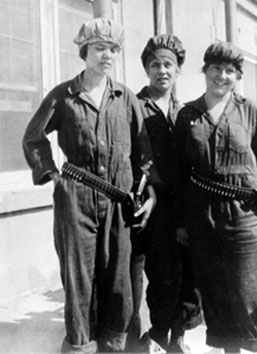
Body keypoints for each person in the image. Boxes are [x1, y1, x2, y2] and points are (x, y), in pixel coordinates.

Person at [22, 18, 157, 354]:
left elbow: (146, 154)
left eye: (112, 49)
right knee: (79, 280)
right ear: (85, 53)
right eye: (99, 48)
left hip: (118, 201)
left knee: (118, 281)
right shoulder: (64, 95)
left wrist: (146, 192)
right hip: (76, 200)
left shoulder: (125, 98)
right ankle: (81, 347)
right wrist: (51, 173)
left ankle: (114, 346)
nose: (106, 55)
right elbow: (33, 137)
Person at [174, 41, 257, 354]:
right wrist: (182, 223)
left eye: (229, 71)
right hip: (202, 218)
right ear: (205, 71)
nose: (222, 76)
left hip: (245, 217)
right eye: (216, 68)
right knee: (215, 294)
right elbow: (179, 176)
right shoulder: (188, 115)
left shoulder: (249, 110)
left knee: (251, 292)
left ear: (237, 76)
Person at [127, 34, 202, 354]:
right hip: (151, 204)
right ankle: (157, 334)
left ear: (178, 69)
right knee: (161, 273)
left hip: (184, 204)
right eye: (155, 64)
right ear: (146, 69)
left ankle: (180, 336)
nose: (162, 70)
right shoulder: (133, 106)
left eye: (168, 64)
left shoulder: (186, 111)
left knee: (189, 271)